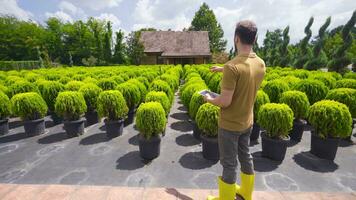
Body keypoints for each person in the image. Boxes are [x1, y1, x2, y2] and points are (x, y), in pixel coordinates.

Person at [205, 20, 266, 200]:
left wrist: (209, 99)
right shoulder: (261, 64)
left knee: (229, 163)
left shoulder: (232, 67)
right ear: (254, 38)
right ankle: (246, 193)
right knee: (246, 155)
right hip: (247, 122)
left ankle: (226, 198)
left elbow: (224, 101)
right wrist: (222, 68)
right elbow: (245, 67)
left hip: (230, 125)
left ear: (236, 38)